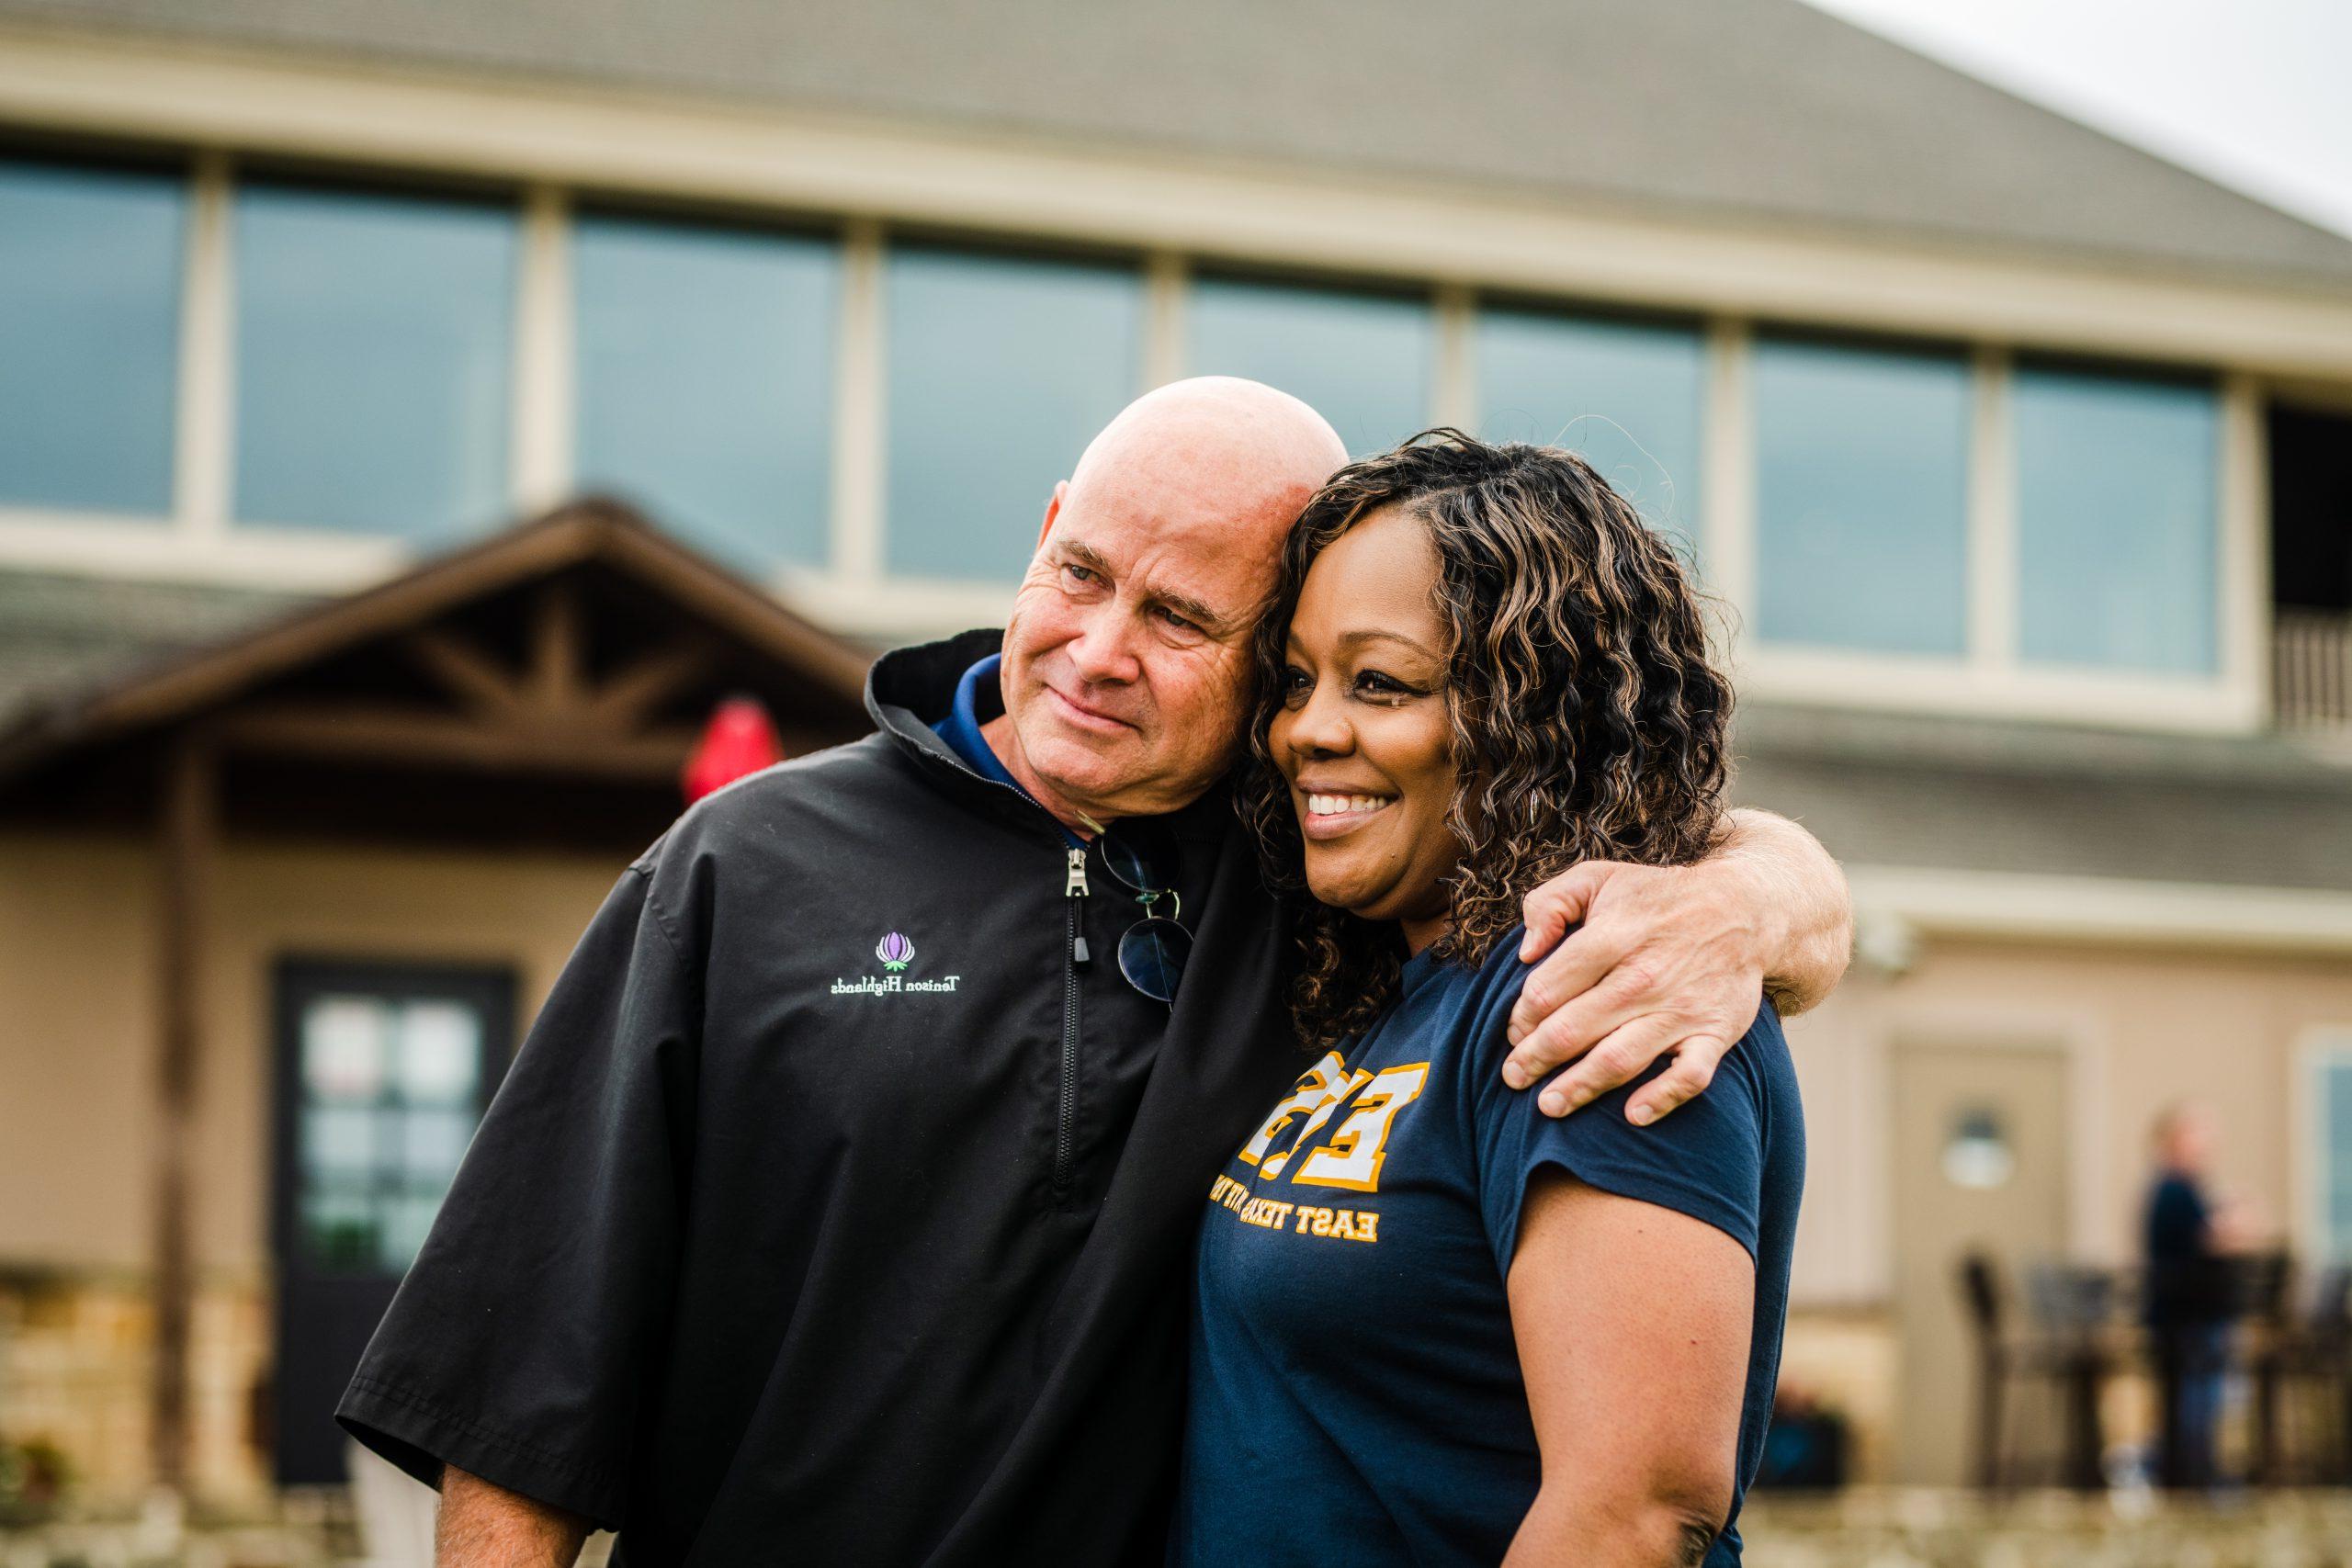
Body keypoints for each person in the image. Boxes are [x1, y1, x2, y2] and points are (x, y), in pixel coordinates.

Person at [338, 379, 1853, 1567]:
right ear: (1047, 523)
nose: (1098, 649)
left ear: (1272, 662)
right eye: (1082, 571)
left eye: (1184, 618)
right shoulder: (741, 870)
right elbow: (522, 1392)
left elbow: (1611, 798)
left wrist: (1758, 900)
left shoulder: (1312, 876)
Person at [1177, 433, 1802, 1566]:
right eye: (1298, 681)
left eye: (1380, 683)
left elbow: (1636, 1514)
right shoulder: (1400, 988)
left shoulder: (1599, 990)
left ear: (1536, 717)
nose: (1308, 730)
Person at [2143, 1103, 2249, 1490]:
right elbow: (2205, 1242)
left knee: (2200, 1401)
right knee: (2195, 1403)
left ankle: (2193, 1471)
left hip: (2190, 1317)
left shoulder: (2179, 1189)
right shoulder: (2174, 1189)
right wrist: (2233, 1224)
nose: (2206, 1144)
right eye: (2196, 1135)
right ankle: (2194, 1476)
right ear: (2173, 1141)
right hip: (2188, 1318)